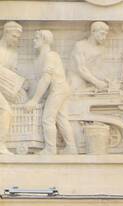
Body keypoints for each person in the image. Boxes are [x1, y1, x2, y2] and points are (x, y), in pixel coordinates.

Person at [25, 31, 76, 156]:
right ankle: (71, 148)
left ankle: (50, 149)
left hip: (58, 90)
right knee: (62, 119)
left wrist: (34, 100)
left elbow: (46, 79)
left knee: (48, 119)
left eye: (36, 38)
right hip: (59, 90)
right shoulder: (39, 59)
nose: (34, 41)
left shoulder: (50, 55)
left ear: (45, 40)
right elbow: (39, 81)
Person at [0, 21, 26, 156]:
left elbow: (12, 73)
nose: (16, 40)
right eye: (14, 36)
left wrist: (21, 86)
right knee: (6, 111)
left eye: (18, 38)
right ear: (6, 33)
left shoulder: (13, 54)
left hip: (3, 87)